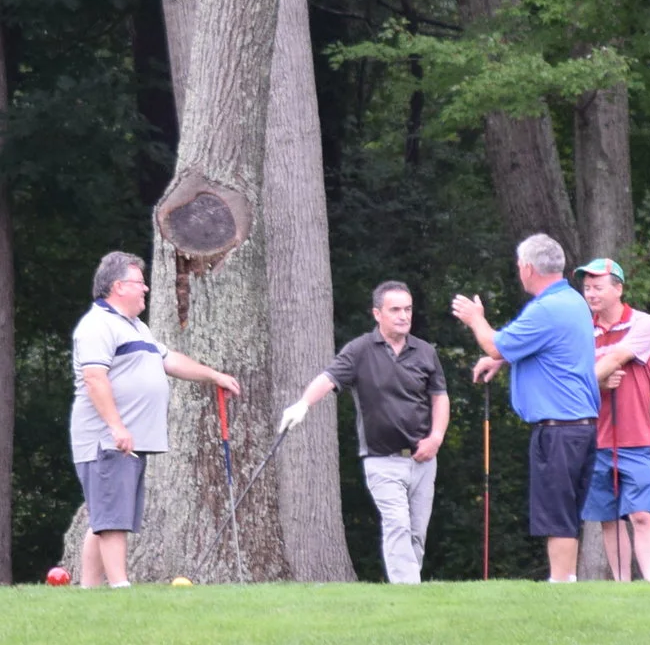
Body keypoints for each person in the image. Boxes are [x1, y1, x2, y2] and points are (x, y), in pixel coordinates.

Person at [68, 250, 241, 587]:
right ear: (118, 287)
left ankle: (87, 592)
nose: (146, 289)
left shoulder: (136, 328)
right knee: (112, 520)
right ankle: (121, 587)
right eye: (139, 283)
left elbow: (170, 359)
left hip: (125, 439)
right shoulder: (97, 326)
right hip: (106, 440)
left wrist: (213, 375)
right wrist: (117, 427)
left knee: (103, 516)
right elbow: (94, 380)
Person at [451, 233, 601, 581]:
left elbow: (493, 344)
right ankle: (565, 581)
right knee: (565, 512)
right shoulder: (572, 301)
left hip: (559, 429)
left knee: (558, 514)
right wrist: (504, 361)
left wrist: (475, 318)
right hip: (578, 427)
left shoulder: (547, 309)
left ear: (528, 268)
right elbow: (544, 349)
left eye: (520, 265)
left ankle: (561, 586)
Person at [277, 281, 449, 583]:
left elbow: (440, 397)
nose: (403, 316)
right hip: (382, 459)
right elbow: (329, 378)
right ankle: (409, 591)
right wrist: (303, 404)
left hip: (423, 459)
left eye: (407, 309)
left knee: (416, 533)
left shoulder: (424, 352)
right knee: (397, 524)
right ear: (377, 314)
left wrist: (436, 438)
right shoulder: (360, 350)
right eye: (395, 309)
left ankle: (410, 591)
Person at [574, 257, 650, 582]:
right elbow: (565, 371)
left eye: (597, 287)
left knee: (641, 515)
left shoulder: (643, 323)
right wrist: (595, 383)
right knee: (608, 519)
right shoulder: (581, 330)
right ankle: (623, 586)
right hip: (594, 440)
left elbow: (616, 357)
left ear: (618, 288)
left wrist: (588, 379)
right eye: (586, 288)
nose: (591, 293)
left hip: (635, 440)